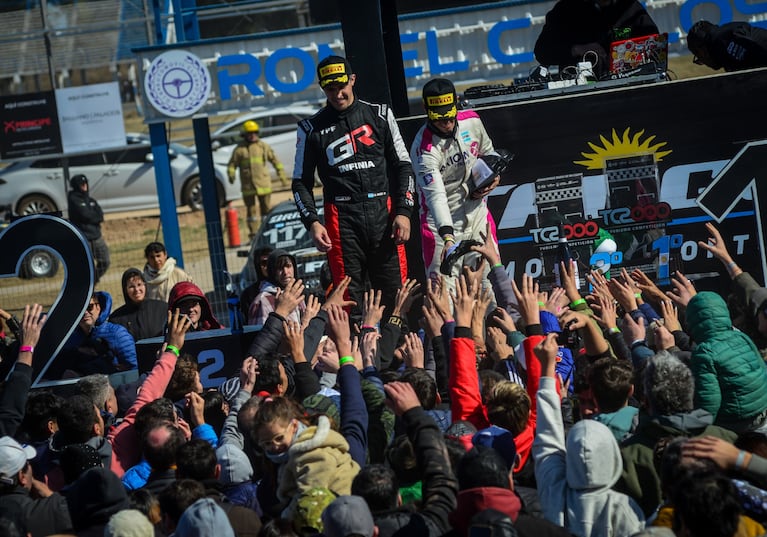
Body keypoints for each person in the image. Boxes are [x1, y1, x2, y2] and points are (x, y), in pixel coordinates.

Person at [292, 55, 416, 314]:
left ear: (352, 79)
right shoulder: (310, 128)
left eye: (341, 86)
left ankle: (401, 350)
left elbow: (404, 166)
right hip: (342, 218)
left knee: (397, 295)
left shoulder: (380, 114)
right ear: (322, 88)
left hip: (383, 211)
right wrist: (313, 223)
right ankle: (356, 351)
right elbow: (300, 183)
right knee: (349, 300)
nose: (337, 94)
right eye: (330, 89)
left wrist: (404, 212)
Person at [409, 77, 504, 285]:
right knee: (444, 297)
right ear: (426, 109)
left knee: (490, 290)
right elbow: (435, 196)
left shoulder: (472, 121)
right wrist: (448, 238)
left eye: (450, 116)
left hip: (477, 214)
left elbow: (489, 153)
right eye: (439, 118)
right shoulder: (423, 148)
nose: (446, 123)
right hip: (440, 225)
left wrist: (494, 177)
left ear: (456, 101)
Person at [534, 0, 659, 77]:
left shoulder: (630, 7)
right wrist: (577, 50)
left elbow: (654, 44)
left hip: (629, 88)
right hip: (580, 97)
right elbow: (542, 52)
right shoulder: (564, 10)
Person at [227, 120, 289, 239]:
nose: (252, 135)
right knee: (251, 213)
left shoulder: (263, 146)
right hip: (248, 186)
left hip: (263, 184)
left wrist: (282, 176)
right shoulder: (239, 149)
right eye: (249, 133)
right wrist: (231, 174)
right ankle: (254, 235)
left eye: (254, 132)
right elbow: (232, 164)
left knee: (266, 210)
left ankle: (268, 231)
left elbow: (275, 161)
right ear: (244, 135)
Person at [57, 291, 137, 376]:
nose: (85, 312)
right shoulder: (70, 340)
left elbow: (134, 369)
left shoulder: (117, 333)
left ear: (98, 307)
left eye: (89, 307)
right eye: (80, 309)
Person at [67, 174, 110, 283]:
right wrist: (93, 217)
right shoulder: (73, 199)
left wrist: (93, 218)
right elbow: (85, 215)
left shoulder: (90, 200)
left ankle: (93, 280)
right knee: (86, 265)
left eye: (86, 183)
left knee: (105, 261)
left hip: (96, 237)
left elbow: (100, 215)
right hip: (84, 238)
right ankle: (86, 284)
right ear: (76, 186)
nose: (85, 186)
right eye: (82, 184)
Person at [247, 249, 305, 326]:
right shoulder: (262, 301)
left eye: (288, 266)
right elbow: (261, 336)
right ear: (272, 271)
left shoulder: (297, 294)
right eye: (280, 268)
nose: (285, 272)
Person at [110, 268, 168, 341]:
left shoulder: (162, 308)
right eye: (131, 286)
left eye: (139, 284)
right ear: (125, 290)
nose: (137, 289)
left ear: (145, 285)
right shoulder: (116, 319)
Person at [687, 20, 767, 72]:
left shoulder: (721, 44)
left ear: (702, 52)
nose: (706, 64)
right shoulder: (725, 35)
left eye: (700, 58)